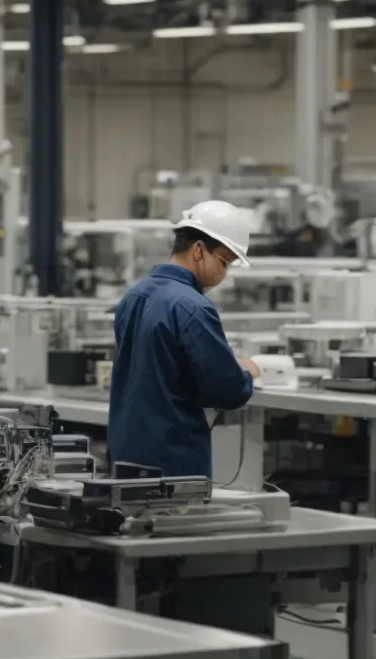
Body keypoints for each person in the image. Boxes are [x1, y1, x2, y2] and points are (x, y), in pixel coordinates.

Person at [109, 201, 263, 480]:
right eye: (224, 263)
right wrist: (247, 372)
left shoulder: (134, 296)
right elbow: (225, 390)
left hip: (127, 450)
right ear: (199, 251)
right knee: (176, 524)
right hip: (172, 461)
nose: (223, 275)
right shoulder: (193, 307)